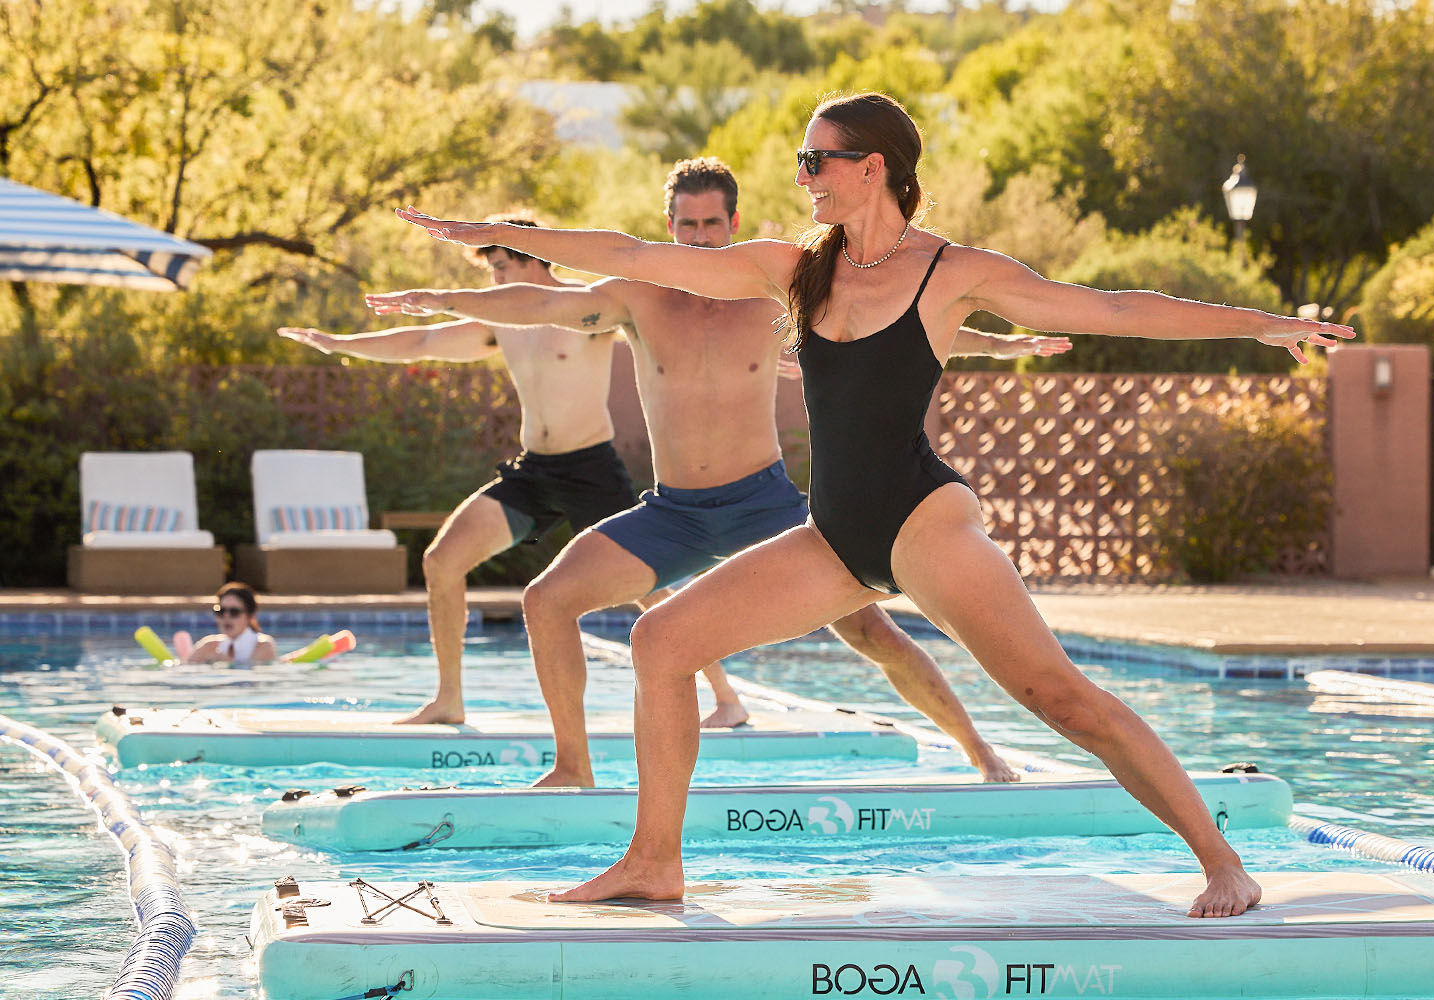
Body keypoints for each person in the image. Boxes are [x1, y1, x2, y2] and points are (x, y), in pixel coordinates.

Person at [395, 94, 1354, 917]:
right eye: (803, 162)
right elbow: (634, 253)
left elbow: (1112, 307)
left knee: (1059, 698)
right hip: (836, 535)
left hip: (923, 522)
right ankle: (655, 863)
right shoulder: (796, 266)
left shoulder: (952, 273)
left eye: (819, 160)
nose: (805, 175)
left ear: (874, 167)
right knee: (661, 642)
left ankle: (1223, 861)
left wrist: (1262, 325)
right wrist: (504, 237)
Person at [368, 159, 1062, 787]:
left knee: (872, 632)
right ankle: (572, 769)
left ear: (731, 225)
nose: (699, 238)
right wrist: (445, 299)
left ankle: (981, 754)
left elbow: (904, 326)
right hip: (675, 514)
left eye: (710, 225)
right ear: (667, 227)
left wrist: (1005, 346)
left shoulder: (774, 293)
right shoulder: (637, 297)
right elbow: (540, 306)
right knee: (547, 602)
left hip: (765, 507)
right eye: (686, 225)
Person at [280, 214, 751, 729]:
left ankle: (726, 698)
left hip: (590, 470)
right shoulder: (500, 324)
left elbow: (661, 334)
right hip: (533, 473)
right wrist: (342, 345)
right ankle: (449, 699)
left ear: (532, 258)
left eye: (502, 266)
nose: (495, 280)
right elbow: (421, 344)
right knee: (441, 561)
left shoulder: (586, 308)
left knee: (652, 592)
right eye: (492, 272)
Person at [184, 582, 276, 664]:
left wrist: (224, 663)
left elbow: (251, 678)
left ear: (250, 616)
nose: (226, 617)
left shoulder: (263, 645)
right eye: (221, 611)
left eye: (234, 612)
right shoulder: (209, 644)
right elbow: (183, 669)